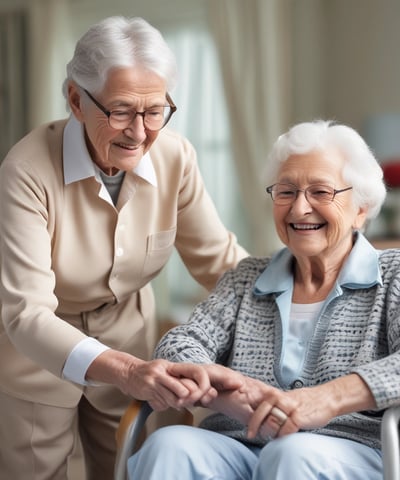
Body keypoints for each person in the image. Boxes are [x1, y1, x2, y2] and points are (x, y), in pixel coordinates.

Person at [0, 15, 248, 480]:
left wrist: (309, 289)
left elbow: (220, 261)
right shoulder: (26, 171)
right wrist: (126, 370)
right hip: (37, 352)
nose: (139, 131)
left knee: (142, 468)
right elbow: (26, 314)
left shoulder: (175, 156)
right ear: (76, 99)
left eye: (154, 110)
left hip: (130, 335)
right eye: (120, 111)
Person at [128, 119, 399, 480]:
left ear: (361, 208)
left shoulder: (393, 275)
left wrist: (326, 399)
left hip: (352, 451)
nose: (299, 209)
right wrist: (225, 392)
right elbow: (180, 343)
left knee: (292, 453)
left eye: (321, 192)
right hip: (241, 444)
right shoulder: (246, 278)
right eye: (286, 192)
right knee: (170, 444)